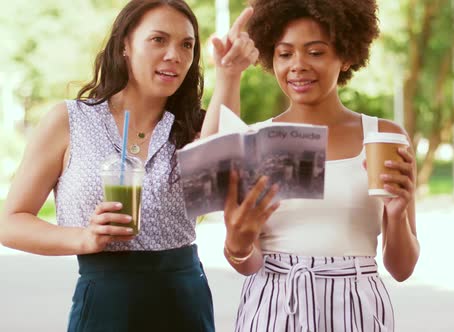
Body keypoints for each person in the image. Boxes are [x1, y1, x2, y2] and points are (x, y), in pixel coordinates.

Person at [0, 1, 277, 331]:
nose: (174, 54)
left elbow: (216, 167)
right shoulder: (68, 121)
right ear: (125, 46)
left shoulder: (195, 127)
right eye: (158, 39)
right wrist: (83, 239)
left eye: (186, 45)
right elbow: (11, 223)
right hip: (104, 303)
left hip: (184, 302)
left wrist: (229, 74)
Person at [221, 1, 420, 331]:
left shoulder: (383, 137)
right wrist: (237, 245)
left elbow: (402, 268)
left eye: (315, 52)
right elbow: (248, 262)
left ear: (347, 55)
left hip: (356, 308)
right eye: (285, 54)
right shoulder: (254, 141)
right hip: (274, 306)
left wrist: (397, 215)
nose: (297, 66)